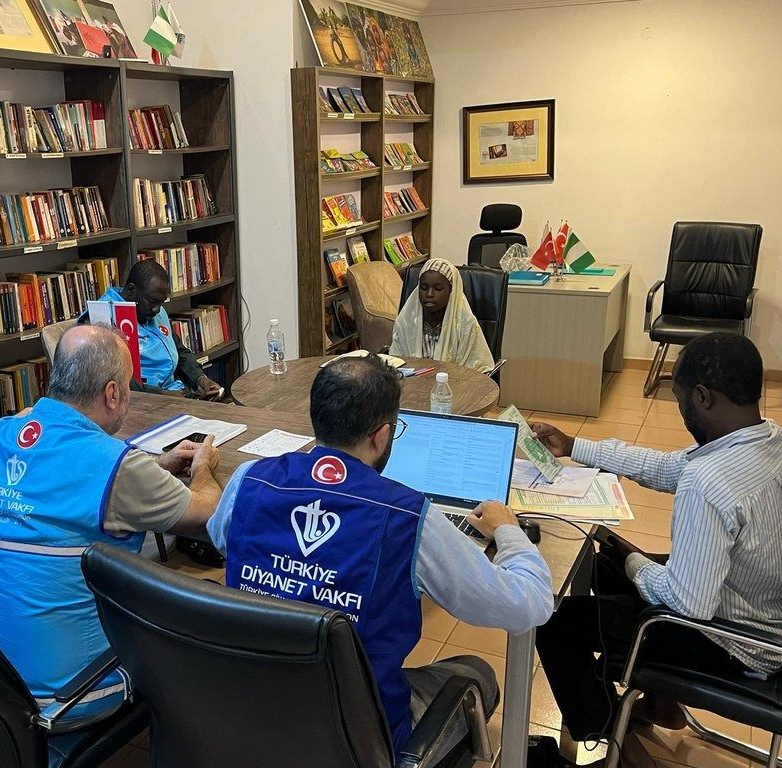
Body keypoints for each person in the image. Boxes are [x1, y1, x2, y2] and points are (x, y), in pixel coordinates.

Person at [207, 355, 553, 757]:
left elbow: (221, 539)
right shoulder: (409, 517)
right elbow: (528, 603)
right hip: (357, 740)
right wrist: (508, 530)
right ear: (382, 435)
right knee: (478, 674)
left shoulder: (248, 478)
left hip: (250, 712)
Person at [531, 333, 782, 762]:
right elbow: (666, 468)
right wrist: (574, 446)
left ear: (702, 397)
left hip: (737, 644)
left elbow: (688, 603)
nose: (681, 413)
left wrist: (635, 562)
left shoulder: (710, 482)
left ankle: (609, 733)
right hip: (761, 605)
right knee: (605, 563)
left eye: (681, 401)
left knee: (555, 622)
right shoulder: (765, 438)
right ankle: (661, 702)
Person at [0, 323, 222, 723]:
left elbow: (55, 481)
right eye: (128, 386)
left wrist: (152, 468)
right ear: (112, 393)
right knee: (204, 622)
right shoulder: (115, 465)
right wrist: (203, 467)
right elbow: (207, 514)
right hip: (68, 695)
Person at [100, 259, 222, 399]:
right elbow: (113, 379)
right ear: (131, 290)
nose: (157, 309)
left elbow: (179, 350)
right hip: (143, 400)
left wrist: (199, 378)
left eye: (161, 303)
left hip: (176, 392)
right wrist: (163, 396)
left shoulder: (155, 312)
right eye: (152, 302)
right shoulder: (103, 318)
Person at [390, 258, 495, 373]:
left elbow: (480, 369)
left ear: (451, 291)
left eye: (438, 289)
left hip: (456, 382)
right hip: (411, 383)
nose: (429, 294)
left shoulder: (466, 324)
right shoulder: (405, 322)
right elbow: (395, 364)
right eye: (424, 288)